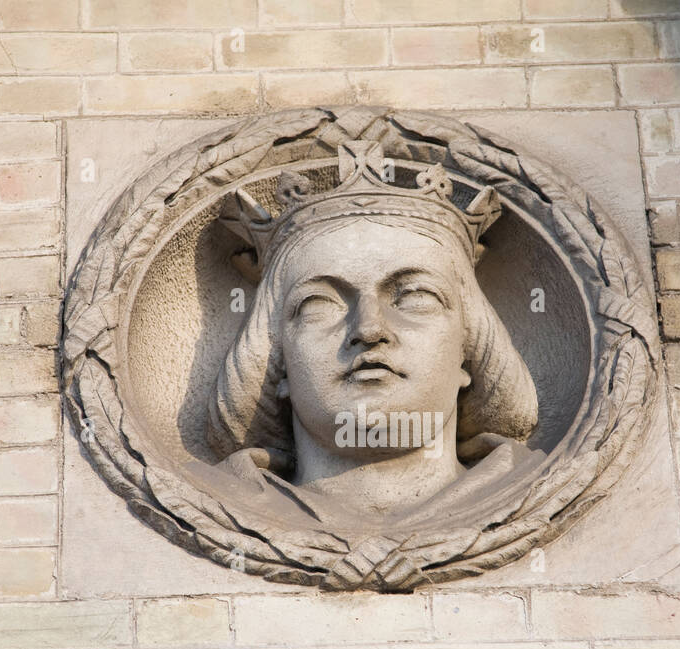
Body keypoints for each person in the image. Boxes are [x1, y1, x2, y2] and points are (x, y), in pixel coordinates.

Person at [195, 140, 542, 531]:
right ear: (277, 359)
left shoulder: (539, 487)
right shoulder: (207, 500)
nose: (369, 330)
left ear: (468, 350)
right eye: (319, 303)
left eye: (414, 297)